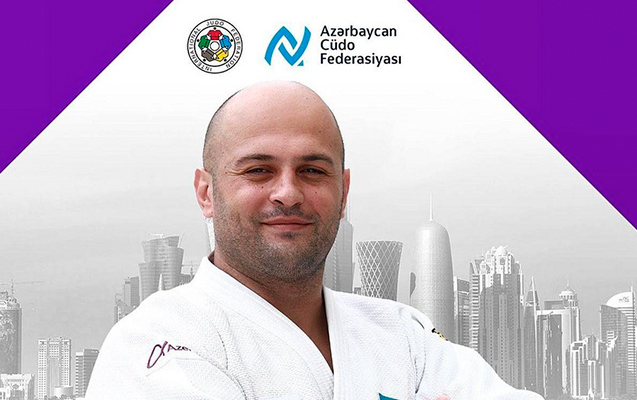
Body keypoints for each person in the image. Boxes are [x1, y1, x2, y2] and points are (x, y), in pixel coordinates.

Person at [86, 81, 544, 400]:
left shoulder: (404, 333)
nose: (288, 193)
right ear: (206, 193)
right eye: (258, 170)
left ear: (343, 192)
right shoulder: (158, 341)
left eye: (312, 170)